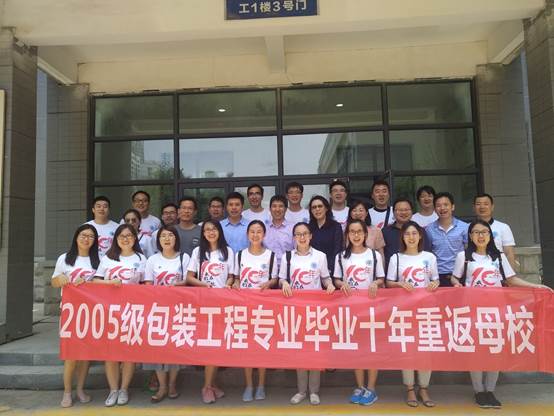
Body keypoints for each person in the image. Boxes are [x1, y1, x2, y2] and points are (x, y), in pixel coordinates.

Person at [450, 219, 550, 409]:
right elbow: (455, 277)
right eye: (476, 232)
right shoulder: (464, 256)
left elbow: (511, 280)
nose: (480, 236)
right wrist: (456, 284)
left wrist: (536, 286)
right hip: (472, 311)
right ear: (470, 236)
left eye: (484, 232)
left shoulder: (498, 257)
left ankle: (490, 390)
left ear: (490, 235)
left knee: (495, 350)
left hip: (497, 311)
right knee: (476, 351)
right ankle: (479, 391)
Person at [279, 222, 336, 406]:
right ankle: (301, 390)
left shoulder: (320, 256)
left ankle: (314, 391)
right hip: (295, 311)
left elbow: (325, 278)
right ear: (294, 237)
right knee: (300, 352)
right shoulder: (287, 257)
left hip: (315, 311)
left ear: (311, 236)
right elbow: (281, 279)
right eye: (298, 234)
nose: (302, 237)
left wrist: (330, 285)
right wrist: (284, 283)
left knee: (315, 350)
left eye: (305, 234)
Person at [386, 221, 439, 408]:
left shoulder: (429, 257)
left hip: (426, 310)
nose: (411, 237)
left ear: (420, 236)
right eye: (407, 234)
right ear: (402, 237)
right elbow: (389, 283)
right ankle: (409, 387)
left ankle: (424, 387)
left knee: (425, 349)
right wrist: (399, 284)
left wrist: (434, 284)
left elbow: (435, 280)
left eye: (414, 233)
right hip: (404, 310)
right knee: (407, 349)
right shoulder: (396, 258)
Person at [93, 224, 147, 407]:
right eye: (122, 236)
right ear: (116, 239)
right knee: (111, 353)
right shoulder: (107, 258)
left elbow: (146, 285)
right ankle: (113, 390)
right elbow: (95, 281)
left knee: (128, 352)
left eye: (129, 235)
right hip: (110, 311)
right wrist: (110, 282)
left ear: (135, 238)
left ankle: (124, 389)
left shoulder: (141, 258)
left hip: (132, 312)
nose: (126, 239)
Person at [333, 220, 385, 407]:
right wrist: (341, 284)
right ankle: (360, 386)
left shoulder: (374, 255)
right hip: (351, 309)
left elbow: (381, 278)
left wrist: (375, 283)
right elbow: (336, 279)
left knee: (371, 348)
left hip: (371, 309)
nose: (356, 235)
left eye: (359, 232)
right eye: (352, 232)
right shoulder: (341, 257)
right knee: (357, 349)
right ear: (347, 235)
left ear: (365, 234)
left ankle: (371, 388)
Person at [51, 224, 100, 408]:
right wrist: (61, 279)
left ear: (95, 241)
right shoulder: (64, 258)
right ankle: (67, 392)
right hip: (70, 313)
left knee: (86, 355)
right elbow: (54, 281)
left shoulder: (99, 260)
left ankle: (80, 389)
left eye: (91, 236)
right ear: (76, 237)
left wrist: (88, 283)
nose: (86, 239)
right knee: (70, 355)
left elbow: (102, 284)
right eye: (83, 235)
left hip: (91, 313)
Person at [186, 220, 235, 404]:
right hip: (204, 303)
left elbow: (231, 276)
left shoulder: (227, 251)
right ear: (203, 233)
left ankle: (212, 384)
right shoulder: (198, 252)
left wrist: (228, 284)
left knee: (217, 345)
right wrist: (204, 285)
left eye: (213, 229)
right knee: (209, 345)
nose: (210, 232)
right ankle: (206, 386)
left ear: (219, 231)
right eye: (207, 230)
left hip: (222, 304)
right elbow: (189, 277)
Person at [143, 225, 190, 403]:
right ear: (158, 240)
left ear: (176, 238)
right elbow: (148, 284)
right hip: (157, 310)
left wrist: (175, 286)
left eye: (170, 235)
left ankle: (172, 384)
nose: (167, 238)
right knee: (158, 349)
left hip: (178, 309)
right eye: (163, 236)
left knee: (174, 348)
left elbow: (188, 281)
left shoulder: (184, 258)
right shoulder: (152, 260)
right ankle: (162, 386)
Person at [232, 220, 278, 402]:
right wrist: (235, 283)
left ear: (264, 234)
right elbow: (236, 278)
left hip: (263, 308)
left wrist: (268, 284)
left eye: (259, 231)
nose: (255, 235)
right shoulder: (240, 255)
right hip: (244, 306)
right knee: (247, 347)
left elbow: (274, 279)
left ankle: (261, 385)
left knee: (261, 346)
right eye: (252, 231)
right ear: (247, 234)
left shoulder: (271, 255)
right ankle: (249, 385)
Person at [425, 192, 469, 287]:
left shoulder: (464, 227)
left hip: (459, 274)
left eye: (446, 204)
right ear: (434, 209)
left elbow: (468, 249)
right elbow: (428, 252)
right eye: (438, 206)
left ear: (452, 207)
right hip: (437, 276)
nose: (442, 208)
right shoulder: (429, 229)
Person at [382, 199, 431, 268]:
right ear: (393, 212)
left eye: (406, 210)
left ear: (412, 211)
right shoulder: (385, 232)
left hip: (416, 270)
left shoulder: (420, 231)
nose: (403, 212)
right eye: (400, 210)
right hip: (392, 272)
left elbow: (426, 253)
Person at [473, 193, 516, 269]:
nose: (482, 207)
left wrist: (511, 273)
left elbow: (509, 253)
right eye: (478, 204)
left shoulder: (503, 227)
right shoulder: (467, 228)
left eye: (486, 204)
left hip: (498, 270)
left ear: (492, 207)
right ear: (474, 207)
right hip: (475, 269)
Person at [308, 195, 343, 276]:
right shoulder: (308, 228)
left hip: (331, 270)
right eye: (314, 207)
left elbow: (337, 250)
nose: (317, 209)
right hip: (312, 269)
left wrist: (329, 268)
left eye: (320, 206)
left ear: (326, 208)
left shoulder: (336, 226)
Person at [263, 195, 294, 271]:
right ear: (270, 209)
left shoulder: (293, 228)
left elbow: (298, 251)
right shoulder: (263, 229)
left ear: (286, 209)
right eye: (274, 206)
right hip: (267, 270)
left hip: (288, 270)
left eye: (281, 206)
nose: (277, 209)